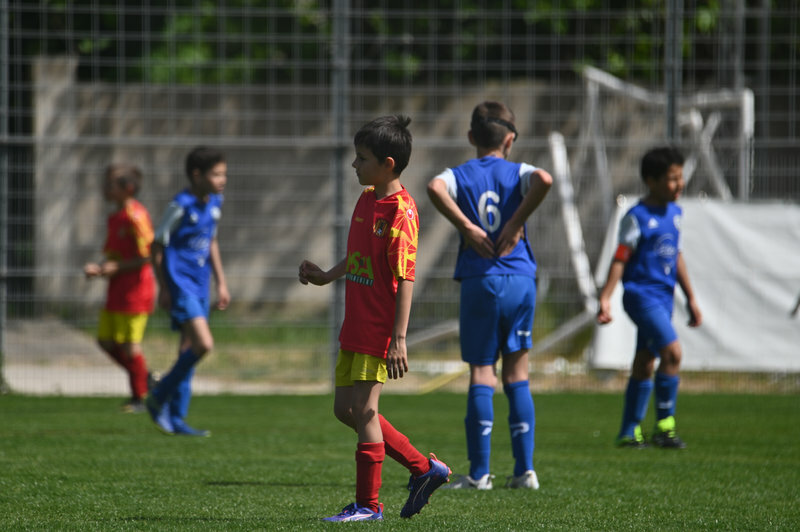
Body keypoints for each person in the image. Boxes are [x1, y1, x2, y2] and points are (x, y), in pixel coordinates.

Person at [299, 115, 451, 522]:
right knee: (345, 410)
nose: (354, 164)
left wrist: (399, 338)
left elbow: (405, 278)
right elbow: (360, 256)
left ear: (387, 164)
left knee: (365, 412)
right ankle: (423, 468)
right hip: (355, 323)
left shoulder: (401, 212)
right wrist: (326, 276)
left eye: (361, 158)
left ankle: (368, 505)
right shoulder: (367, 199)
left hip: (378, 328)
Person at [427, 101, 552, 490]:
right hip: (519, 277)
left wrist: (466, 227)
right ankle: (525, 471)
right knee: (517, 372)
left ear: (471, 137)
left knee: (483, 371)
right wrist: (515, 223)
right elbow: (545, 179)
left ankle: (480, 474)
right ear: (510, 139)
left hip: (480, 277)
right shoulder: (518, 172)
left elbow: (433, 187)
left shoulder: (459, 174)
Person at [596, 145, 702, 449]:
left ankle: (629, 431)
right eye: (672, 178)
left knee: (645, 361)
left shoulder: (675, 213)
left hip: (664, 299)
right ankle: (664, 427)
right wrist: (606, 297)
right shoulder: (637, 217)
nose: (680, 184)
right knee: (673, 353)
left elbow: (676, 256)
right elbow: (621, 257)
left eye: (680, 177)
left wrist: (691, 298)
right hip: (641, 296)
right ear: (651, 181)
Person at [145, 146, 230, 437]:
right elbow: (157, 246)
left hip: (200, 284)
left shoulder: (215, 201)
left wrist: (221, 282)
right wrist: (164, 288)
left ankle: (176, 418)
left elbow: (211, 241)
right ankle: (158, 394)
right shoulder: (180, 205)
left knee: (188, 350)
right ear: (197, 175)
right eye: (216, 174)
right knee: (203, 344)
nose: (222, 180)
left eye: (224, 174)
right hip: (181, 285)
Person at [84, 163, 155, 413]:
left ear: (128, 188)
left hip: (136, 291)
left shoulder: (136, 216)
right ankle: (145, 378)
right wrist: (100, 268)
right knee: (105, 341)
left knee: (129, 346)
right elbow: (115, 255)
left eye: (110, 185)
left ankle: (140, 399)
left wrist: (116, 267)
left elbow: (147, 256)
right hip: (117, 290)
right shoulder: (115, 218)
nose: (105, 189)